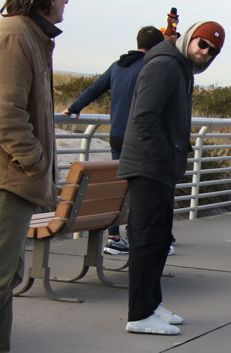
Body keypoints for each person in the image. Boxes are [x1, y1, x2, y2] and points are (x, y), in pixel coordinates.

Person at [0, 0, 80, 353]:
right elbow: (4, 113)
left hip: (11, 177)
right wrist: (35, 161)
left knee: (4, 277)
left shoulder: (26, 35)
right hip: (3, 178)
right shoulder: (14, 36)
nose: (66, 3)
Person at [119, 20, 226, 335]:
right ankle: (140, 314)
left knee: (160, 239)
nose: (205, 52)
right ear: (190, 38)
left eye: (212, 51)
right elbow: (143, 118)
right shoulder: (165, 65)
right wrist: (166, 155)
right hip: (148, 166)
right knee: (147, 240)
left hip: (159, 168)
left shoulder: (180, 67)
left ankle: (152, 305)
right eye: (202, 44)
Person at [63, 25, 165, 254]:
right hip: (140, 138)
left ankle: (114, 238)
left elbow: (95, 88)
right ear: (158, 47)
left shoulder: (119, 65)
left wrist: (74, 108)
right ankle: (142, 237)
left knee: (117, 186)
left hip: (117, 135)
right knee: (143, 189)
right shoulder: (152, 67)